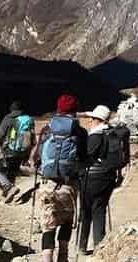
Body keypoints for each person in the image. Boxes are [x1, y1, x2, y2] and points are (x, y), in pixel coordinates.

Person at [31, 94, 88, 262]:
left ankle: (46, 257)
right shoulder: (80, 132)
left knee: (48, 223)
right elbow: (84, 158)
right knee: (66, 221)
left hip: (48, 184)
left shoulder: (47, 129)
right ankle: (63, 256)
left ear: (58, 109)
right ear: (75, 110)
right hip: (69, 185)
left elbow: (36, 158)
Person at [77, 105, 124, 254]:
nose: (89, 121)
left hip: (91, 178)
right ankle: (99, 246)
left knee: (85, 211)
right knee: (99, 210)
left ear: (98, 119)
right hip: (108, 177)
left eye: (92, 118)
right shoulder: (113, 134)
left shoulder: (95, 137)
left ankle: (82, 246)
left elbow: (86, 157)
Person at [0, 100, 35, 203]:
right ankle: (8, 196)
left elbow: (0, 135)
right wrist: (27, 156)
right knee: (11, 172)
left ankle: (9, 189)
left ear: (11, 109)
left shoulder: (9, 119)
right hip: (22, 153)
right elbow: (32, 140)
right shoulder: (29, 120)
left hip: (9, 151)